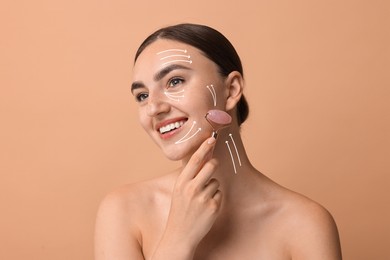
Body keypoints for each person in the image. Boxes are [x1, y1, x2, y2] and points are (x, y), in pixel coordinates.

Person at [94, 23, 342, 260]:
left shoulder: (305, 224)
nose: (153, 108)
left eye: (175, 81)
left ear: (232, 89)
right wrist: (177, 239)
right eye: (142, 95)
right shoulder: (124, 210)